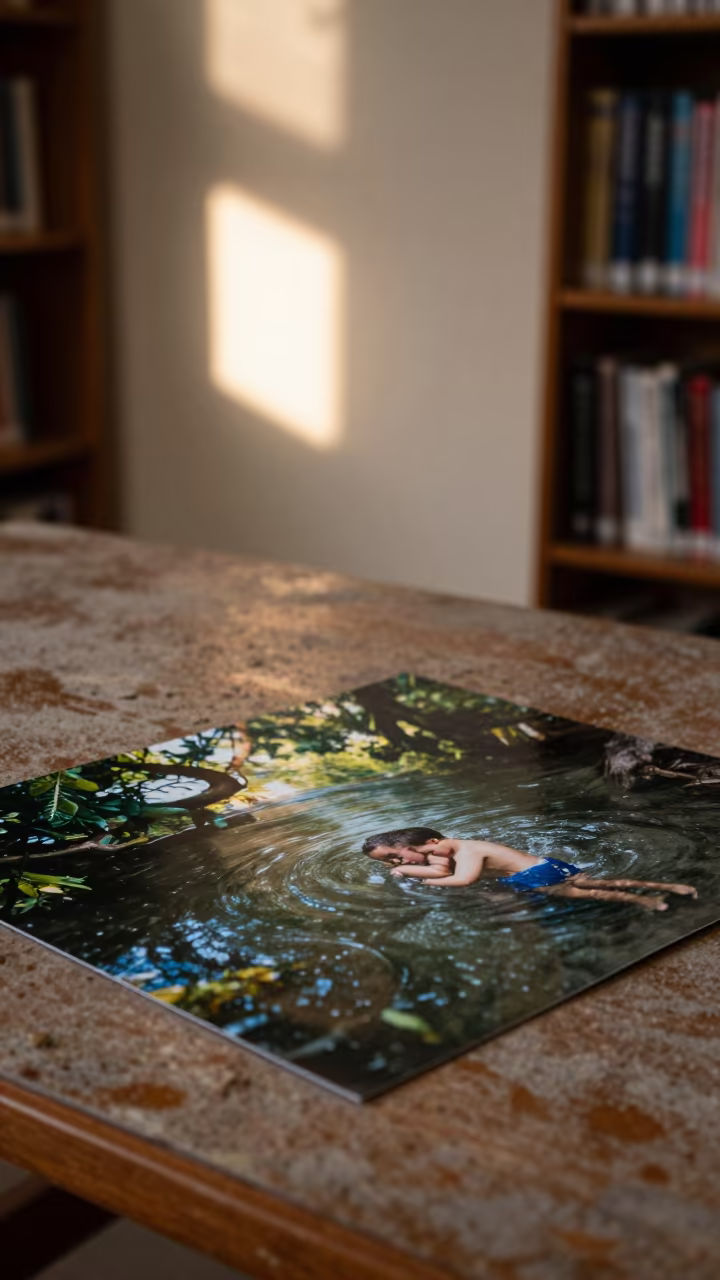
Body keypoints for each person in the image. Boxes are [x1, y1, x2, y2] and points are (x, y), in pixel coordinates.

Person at [362, 826, 698, 912]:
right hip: (546, 864)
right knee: (601, 880)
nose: (400, 862)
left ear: (432, 842)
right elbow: (436, 871)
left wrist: (412, 875)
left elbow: (462, 880)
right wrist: (411, 870)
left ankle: (647, 902)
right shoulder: (447, 850)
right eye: (391, 863)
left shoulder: (468, 852)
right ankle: (669, 888)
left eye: (400, 856)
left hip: (532, 877)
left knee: (592, 893)